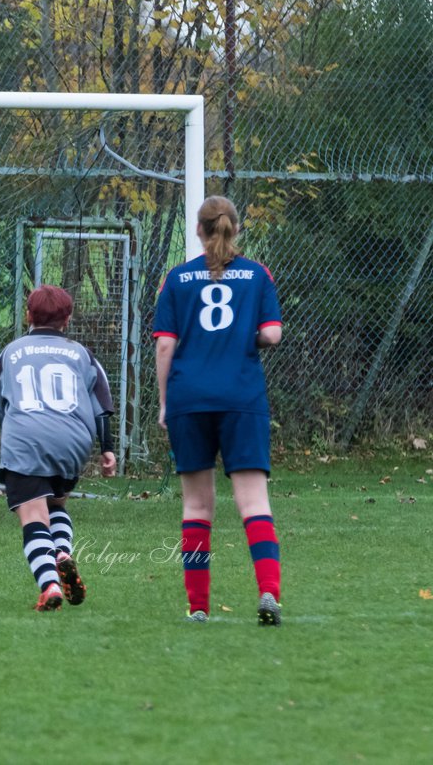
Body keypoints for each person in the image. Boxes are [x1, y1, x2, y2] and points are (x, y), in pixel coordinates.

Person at [153, 195, 284, 626]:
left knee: (196, 506)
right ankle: (268, 591)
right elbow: (272, 334)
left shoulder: (176, 279)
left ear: (198, 231)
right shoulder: (257, 275)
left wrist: (165, 403)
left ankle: (198, 607)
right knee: (253, 501)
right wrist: (250, 338)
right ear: (236, 229)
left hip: (190, 398)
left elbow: (166, 344)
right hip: (241, 397)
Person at [0, 285, 117, 613]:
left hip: (27, 439)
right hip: (72, 441)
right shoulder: (82, 354)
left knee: (32, 516)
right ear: (67, 319)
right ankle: (63, 554)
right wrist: (107, 450)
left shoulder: (11, 352)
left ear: (28, 316)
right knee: (56, 504)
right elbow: (101, 405)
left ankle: (49, 585)